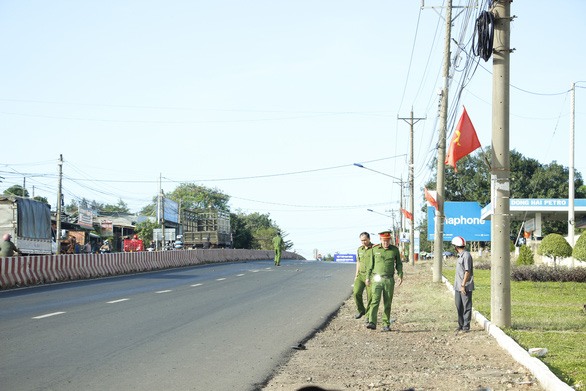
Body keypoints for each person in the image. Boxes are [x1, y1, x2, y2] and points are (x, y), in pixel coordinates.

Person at [366, 231, 403, 331]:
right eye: (383, 240)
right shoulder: (374, 249)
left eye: (387, 240)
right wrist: (367, 277)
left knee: (387, 302)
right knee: (375, 300)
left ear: (390, 240)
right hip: (377, 279)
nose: (385, 242)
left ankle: (386, 324)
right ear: (380, 240)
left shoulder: (394, 250)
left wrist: (400, 275)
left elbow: (399, 264)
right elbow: (370, 265)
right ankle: (372, 322)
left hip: (389, 279)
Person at [452, 236, 474, 332]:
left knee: (466, 306)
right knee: (459, 305)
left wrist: (463, 285)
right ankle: (460, 325)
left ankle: (466, 326)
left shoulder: (466, 256)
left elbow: (467, 271)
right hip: (458, 286)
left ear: (456, 246)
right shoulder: (459, 256)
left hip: (465, 286)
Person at [353, 232, 374, 321]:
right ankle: (361, 310)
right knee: (356, 292)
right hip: (361, 275)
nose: (364, 242)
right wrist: (356, 275)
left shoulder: (374, 248)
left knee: (370, 296)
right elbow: (358, 262)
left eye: (365, 240)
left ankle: (369, 315)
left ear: (369, 239)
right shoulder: (359, 249)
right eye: (362, 240)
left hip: (370, 276)